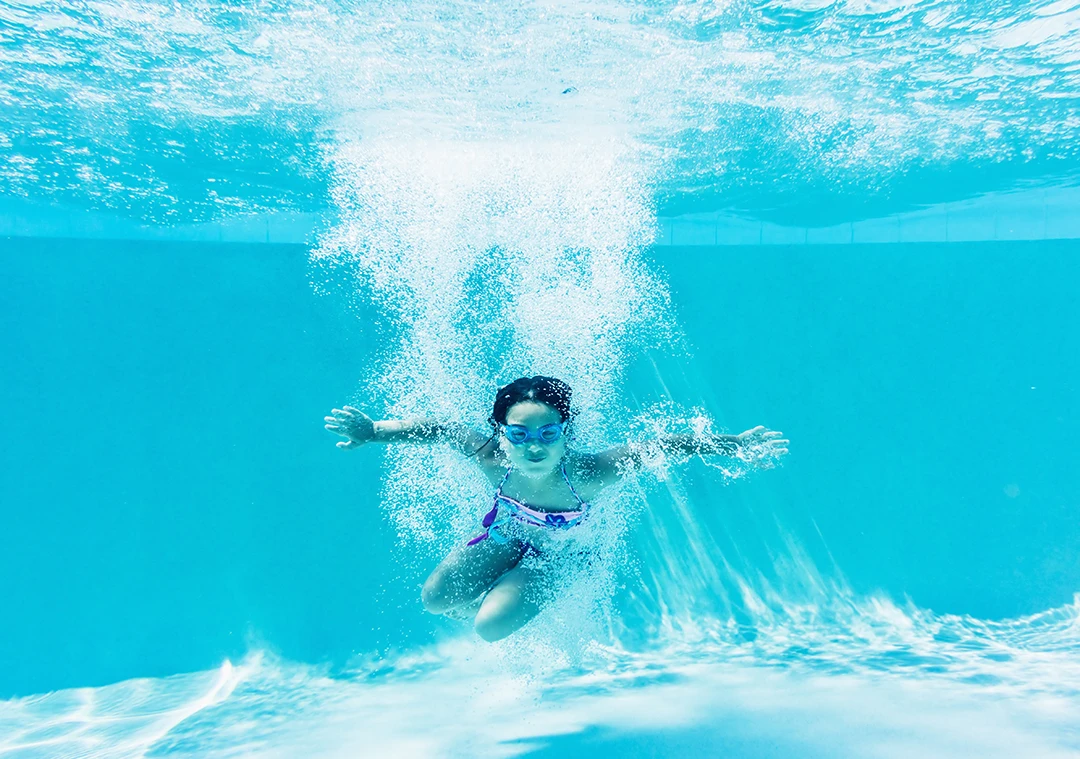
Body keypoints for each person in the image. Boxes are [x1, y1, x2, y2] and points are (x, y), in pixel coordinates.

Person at [324, 375, 788, 642]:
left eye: (548, 433)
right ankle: (500, 593)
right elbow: (438, 429)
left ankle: (530, 592)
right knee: (434, 600)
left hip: (558, 558)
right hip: (504, 539)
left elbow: (664, 445)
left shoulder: (590, 472)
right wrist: (376, 431)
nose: (534, 446)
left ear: (565, 432)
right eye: (519, 434)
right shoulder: (488, 456)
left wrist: (732, 445)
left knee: (489, 629)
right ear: (502, 433)